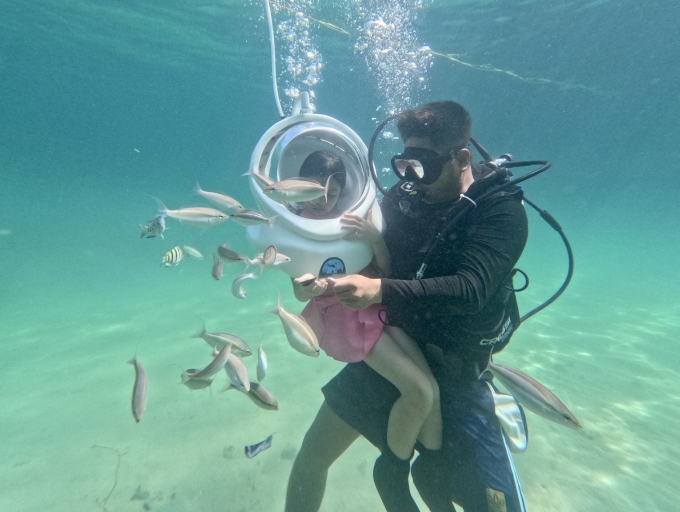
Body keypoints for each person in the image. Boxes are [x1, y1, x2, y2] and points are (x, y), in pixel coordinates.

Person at [285, 101, 529, 512]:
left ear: (462, 157)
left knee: (482, 502)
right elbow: (357, 251)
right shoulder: (409, 195)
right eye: (405, 165)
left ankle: (425, 470)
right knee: (313, 455)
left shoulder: (499, 210)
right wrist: (312, 277)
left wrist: (378, 290)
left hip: (459, 371)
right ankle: (394, 470)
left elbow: (471, 289)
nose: (413, 179)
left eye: (425, 166)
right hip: (395, 347)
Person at [290, 150, 443, 498]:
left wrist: (375, 237)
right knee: (419, 392)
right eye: (314, 191)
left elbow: (385, 271)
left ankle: (432, 470)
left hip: (377, 303)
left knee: (430, 390)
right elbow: (300, 295)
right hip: (347, 317)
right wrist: (306, 287)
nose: (322, 201)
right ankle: (393, 471)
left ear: (341, 190)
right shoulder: (296, 228)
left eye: (331, 192)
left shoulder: (350, 217)